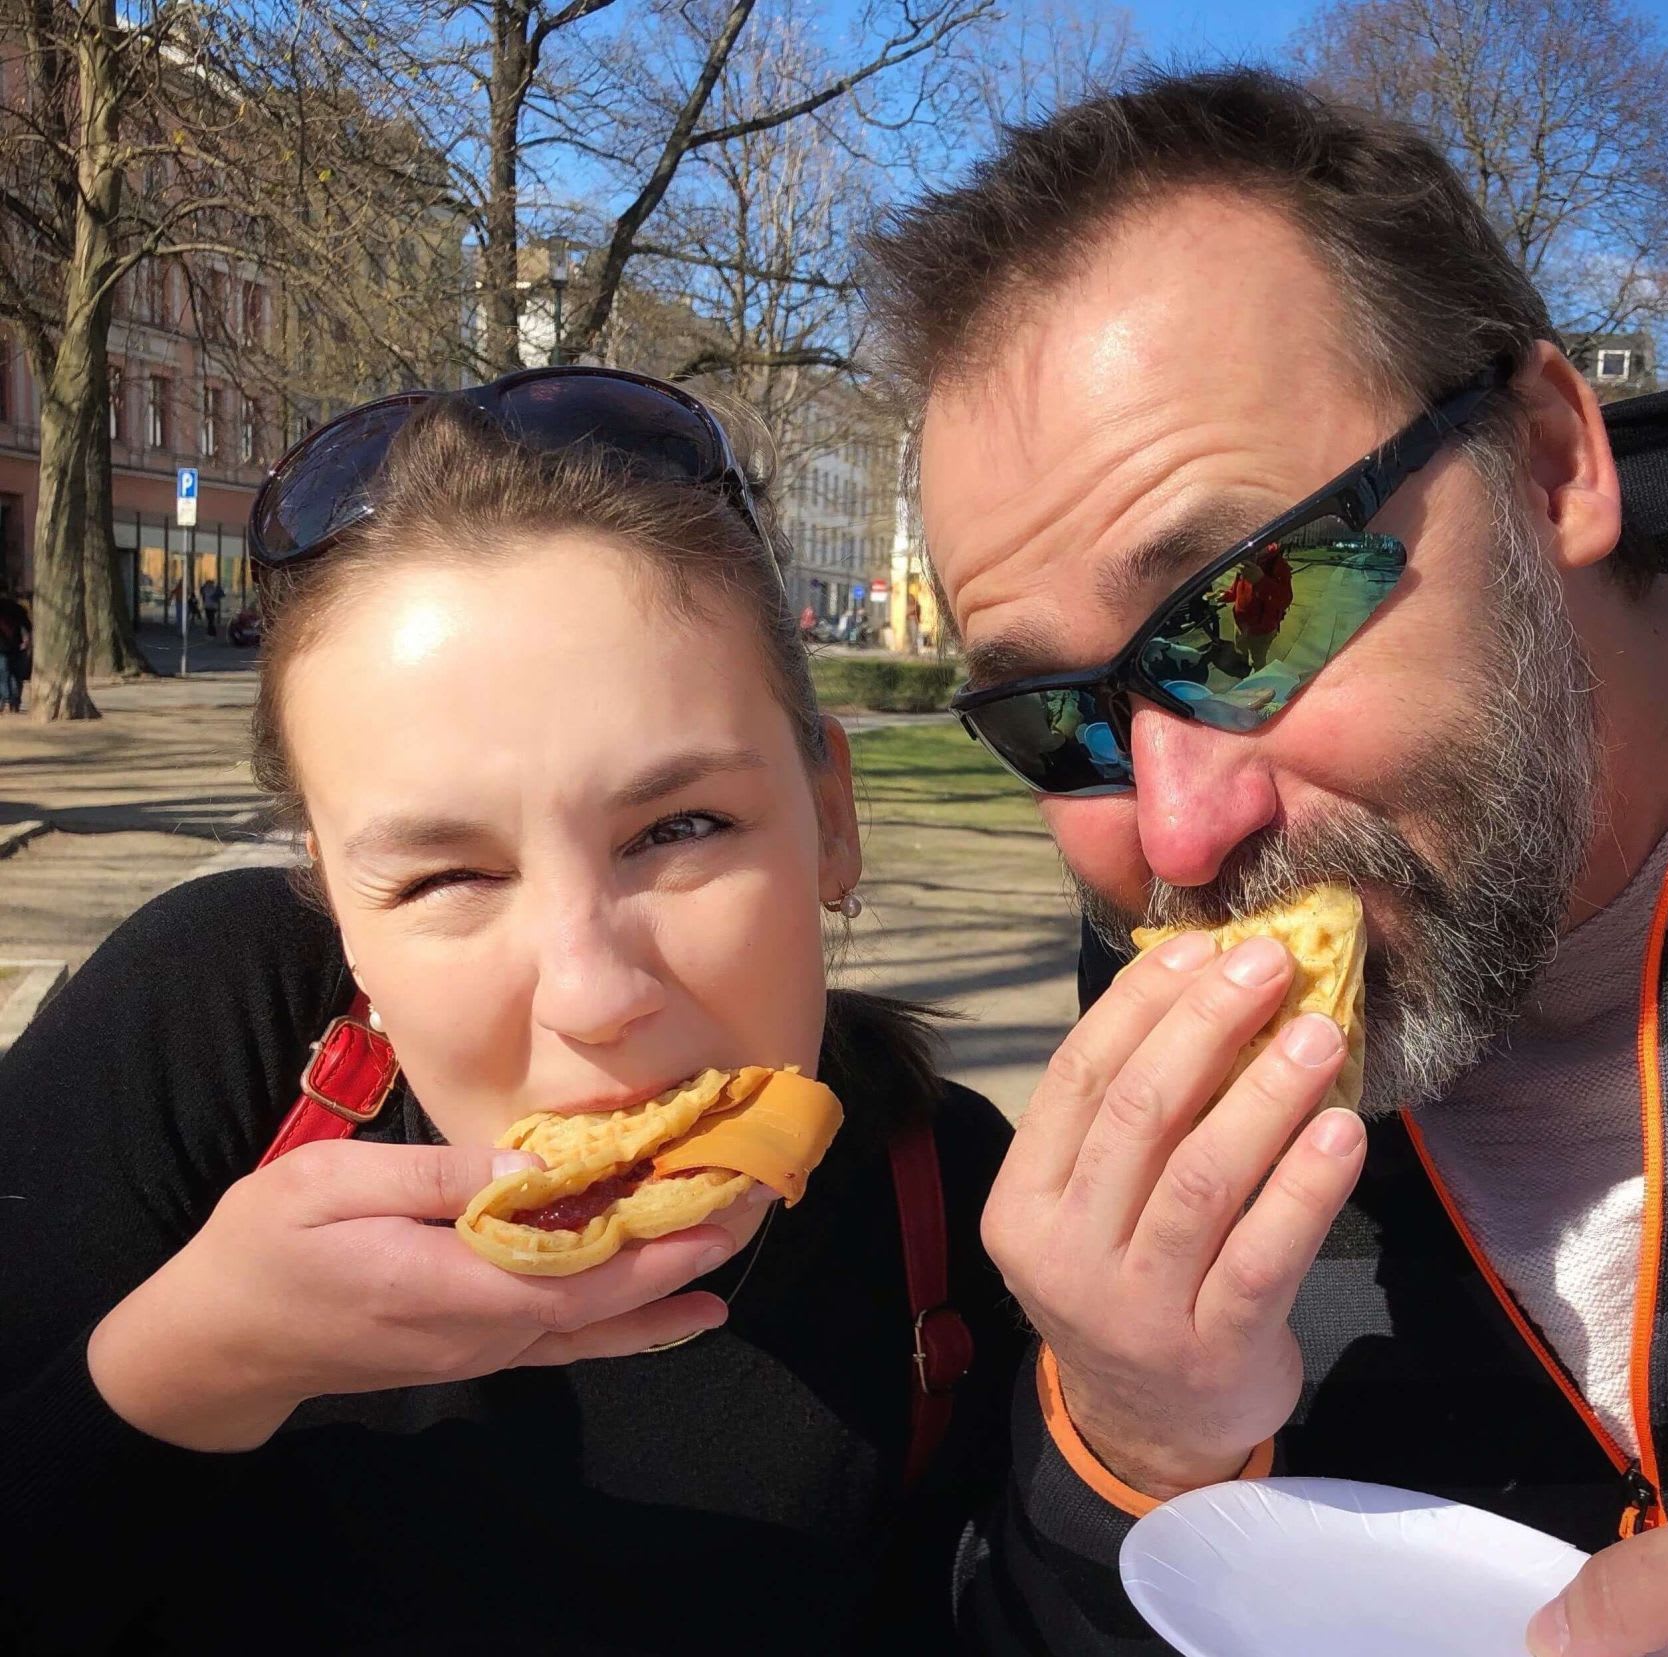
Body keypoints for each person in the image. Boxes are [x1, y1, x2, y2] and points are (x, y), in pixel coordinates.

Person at [864, 70, 1668, 1655]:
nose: (1182, 832)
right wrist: (1129, 1450)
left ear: (1545, 462)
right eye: (1060, 718)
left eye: (1245, 613)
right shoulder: (1168, 919)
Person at [0, 368, 1020, 1653]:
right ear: (333, 903)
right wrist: (193, 1368)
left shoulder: (966, 1213)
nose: (592, 994)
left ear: (832, 819)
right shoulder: (211, 1037)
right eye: (445, 875)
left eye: (679, 826)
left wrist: (1141, 1444)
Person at [0, 586, 28, 712]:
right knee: (7, 673)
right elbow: (27, 626)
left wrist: (26, 641)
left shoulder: (17, 609)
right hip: (9, 646)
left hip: (13, 646)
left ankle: (11, 701)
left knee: (10, 674)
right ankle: (10, 700)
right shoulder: (17, 608)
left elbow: (26, 626)